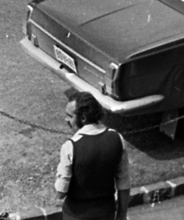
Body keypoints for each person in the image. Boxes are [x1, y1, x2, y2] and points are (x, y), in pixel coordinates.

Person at [54, 92, 129, 220]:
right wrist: (121, 214)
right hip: (106, 213)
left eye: (69, 116)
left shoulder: (70, 147)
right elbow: (123, 183)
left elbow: (60, 193)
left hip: (76, 215)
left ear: (83, 118)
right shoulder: (117, 139)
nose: (66, 120)